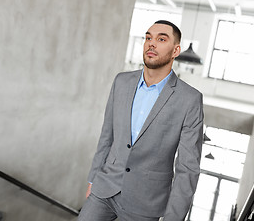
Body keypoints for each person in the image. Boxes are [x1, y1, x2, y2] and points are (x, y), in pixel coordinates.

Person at [78, 20, 204, 221]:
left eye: (161, 39)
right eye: (148, 38)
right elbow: (107, 136)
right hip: (104, 189)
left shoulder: (190, 100)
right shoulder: (121, 81)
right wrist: (93, 179)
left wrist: (173, 217)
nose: (151, 43)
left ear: (175, 50)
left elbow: (187, 168)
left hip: (146, 202)